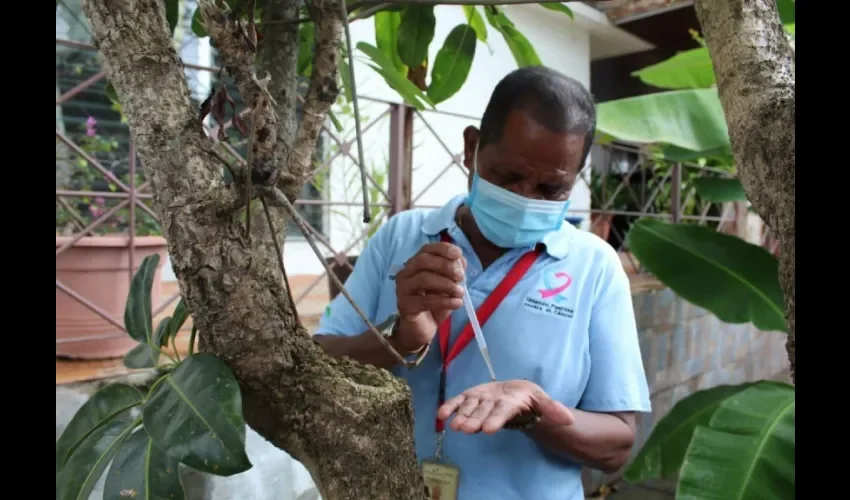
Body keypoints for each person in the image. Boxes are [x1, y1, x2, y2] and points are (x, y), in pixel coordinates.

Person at [314, 66, 651, 500]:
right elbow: (318, 362)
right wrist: (401, 339)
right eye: (508, 177)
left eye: (551, 189)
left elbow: (617, 445)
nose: (525, 198)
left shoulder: (594, 268)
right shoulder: (402, 239)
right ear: (472, 147)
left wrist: (535, 411)